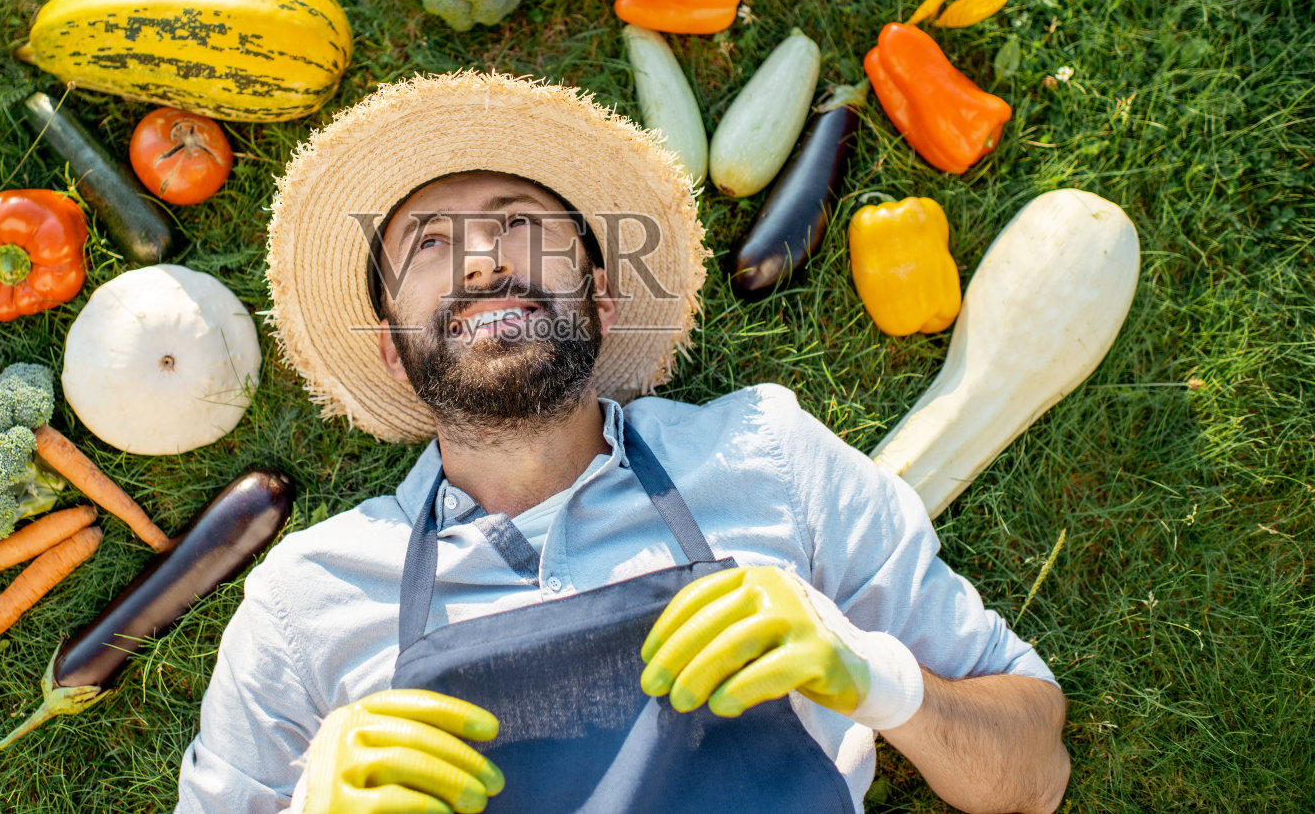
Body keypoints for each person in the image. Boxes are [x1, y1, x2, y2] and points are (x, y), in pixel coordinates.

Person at [175, 72, 1070, 814]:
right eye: (430, 245)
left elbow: (1035, 774)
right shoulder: (305, 599)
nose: (485, 260)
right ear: (392, 354)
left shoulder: (770, 456)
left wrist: (876, 677)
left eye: (523, 224)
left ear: (601, 303)